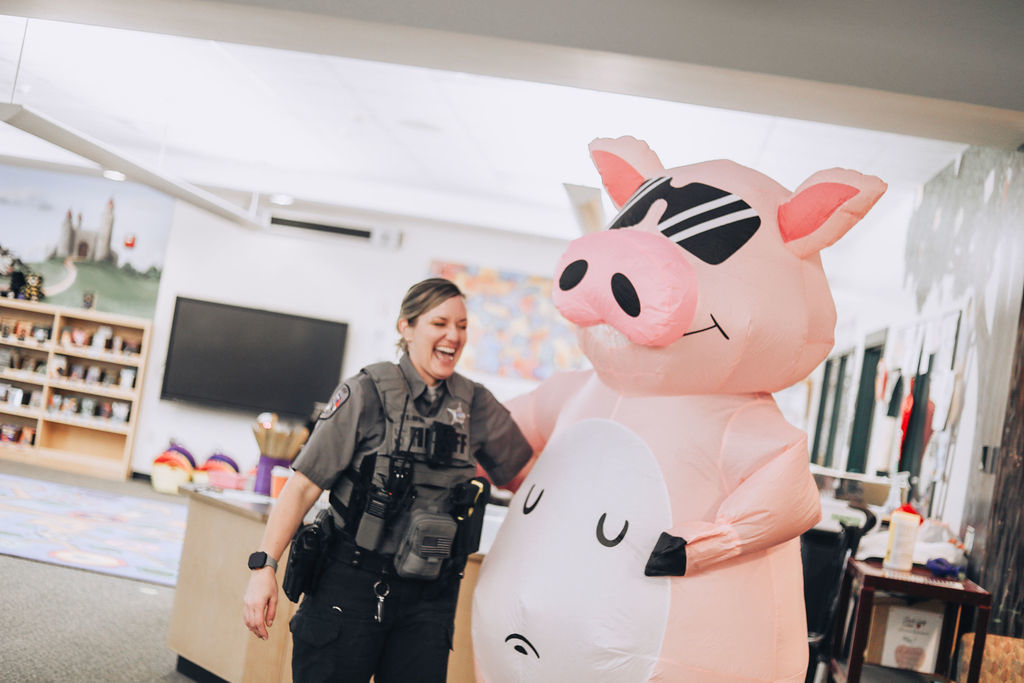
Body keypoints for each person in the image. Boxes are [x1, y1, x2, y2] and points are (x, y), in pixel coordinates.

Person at [243, 277, 533, 682]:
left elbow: (526, 473)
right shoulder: (366, 392)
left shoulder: (475, 404)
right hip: (350, 587)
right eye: (440, 323)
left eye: (463, 326)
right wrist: (264, 568)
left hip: (430, 600)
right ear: (406, 327)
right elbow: (305, 485)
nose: (454, 335)